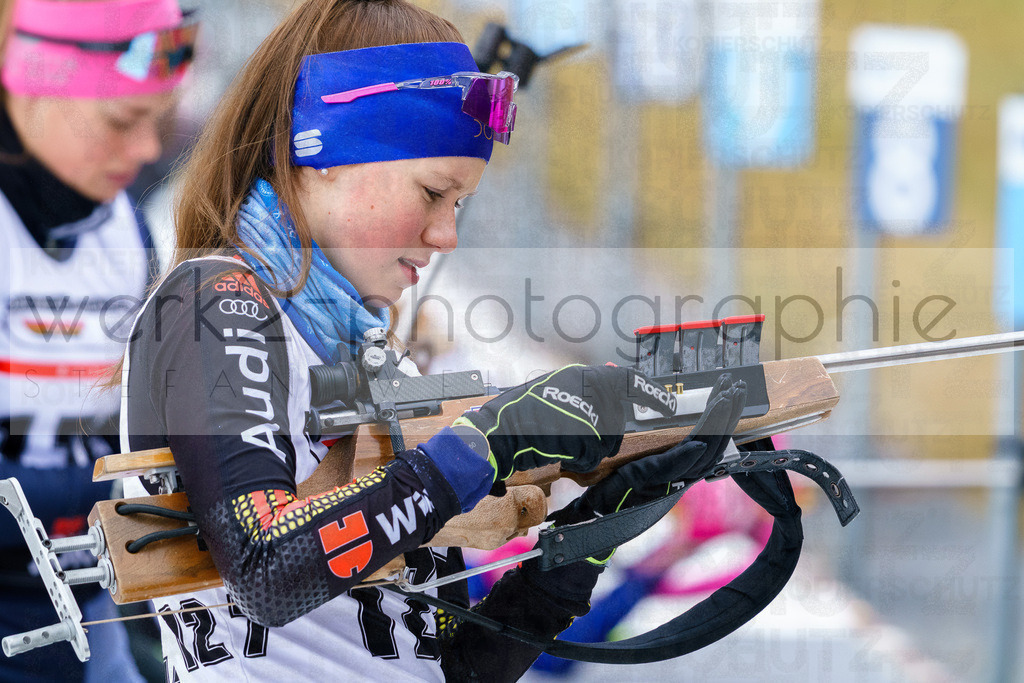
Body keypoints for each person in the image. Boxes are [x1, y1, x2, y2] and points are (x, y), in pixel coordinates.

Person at [117, 1, 743, 680]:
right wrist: (492, 440)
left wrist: (589, 537)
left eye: (459, 204)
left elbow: (451, 666)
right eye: (431, 192)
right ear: (325, 153)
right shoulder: (219, 302)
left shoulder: (374, 360)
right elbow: (267, 568)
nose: (446, 236)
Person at [0, 0, 197, 680]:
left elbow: (143, 433)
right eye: (121, 120)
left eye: (157, 121)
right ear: (35, 85)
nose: (146, 150)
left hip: (81, 609)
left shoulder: (122, 230)